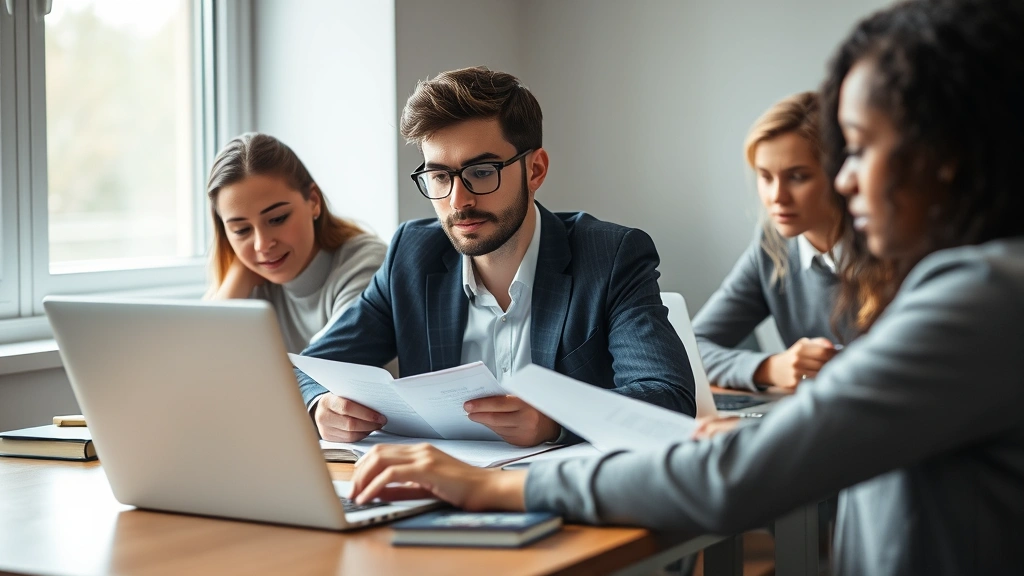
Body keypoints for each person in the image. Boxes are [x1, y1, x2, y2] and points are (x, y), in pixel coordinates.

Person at [347, 1, 1024, 573]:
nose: (845, 181)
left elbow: (733, 480)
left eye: (862, 146)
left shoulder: (983, 298)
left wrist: (492, 485)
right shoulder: (981, 286)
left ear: (950, 153)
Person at [297, 66, 696, 447]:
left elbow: (669, 399)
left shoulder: (610, 257)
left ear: (535, 170)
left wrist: (553, 421)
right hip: (439, 493)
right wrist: (320, 406)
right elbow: (303, 369)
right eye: (439, 176)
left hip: (563, 496)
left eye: (482, 171)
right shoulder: (412, 255)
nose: (459, 200)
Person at [693, 92, 854, 392]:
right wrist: (770, 367)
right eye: (765, 177)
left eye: (797, 177)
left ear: (839, 174)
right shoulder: (772, 246)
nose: (777, 197)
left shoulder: (891, 247)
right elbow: (691, 348)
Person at [206, 133, 387, 353]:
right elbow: (196, 368)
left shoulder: (366, 264)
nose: (262, 245)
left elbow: (330, 368)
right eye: (241, 230)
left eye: (277, 219)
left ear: (313, 201)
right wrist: (236, 281)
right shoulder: (252, 283)